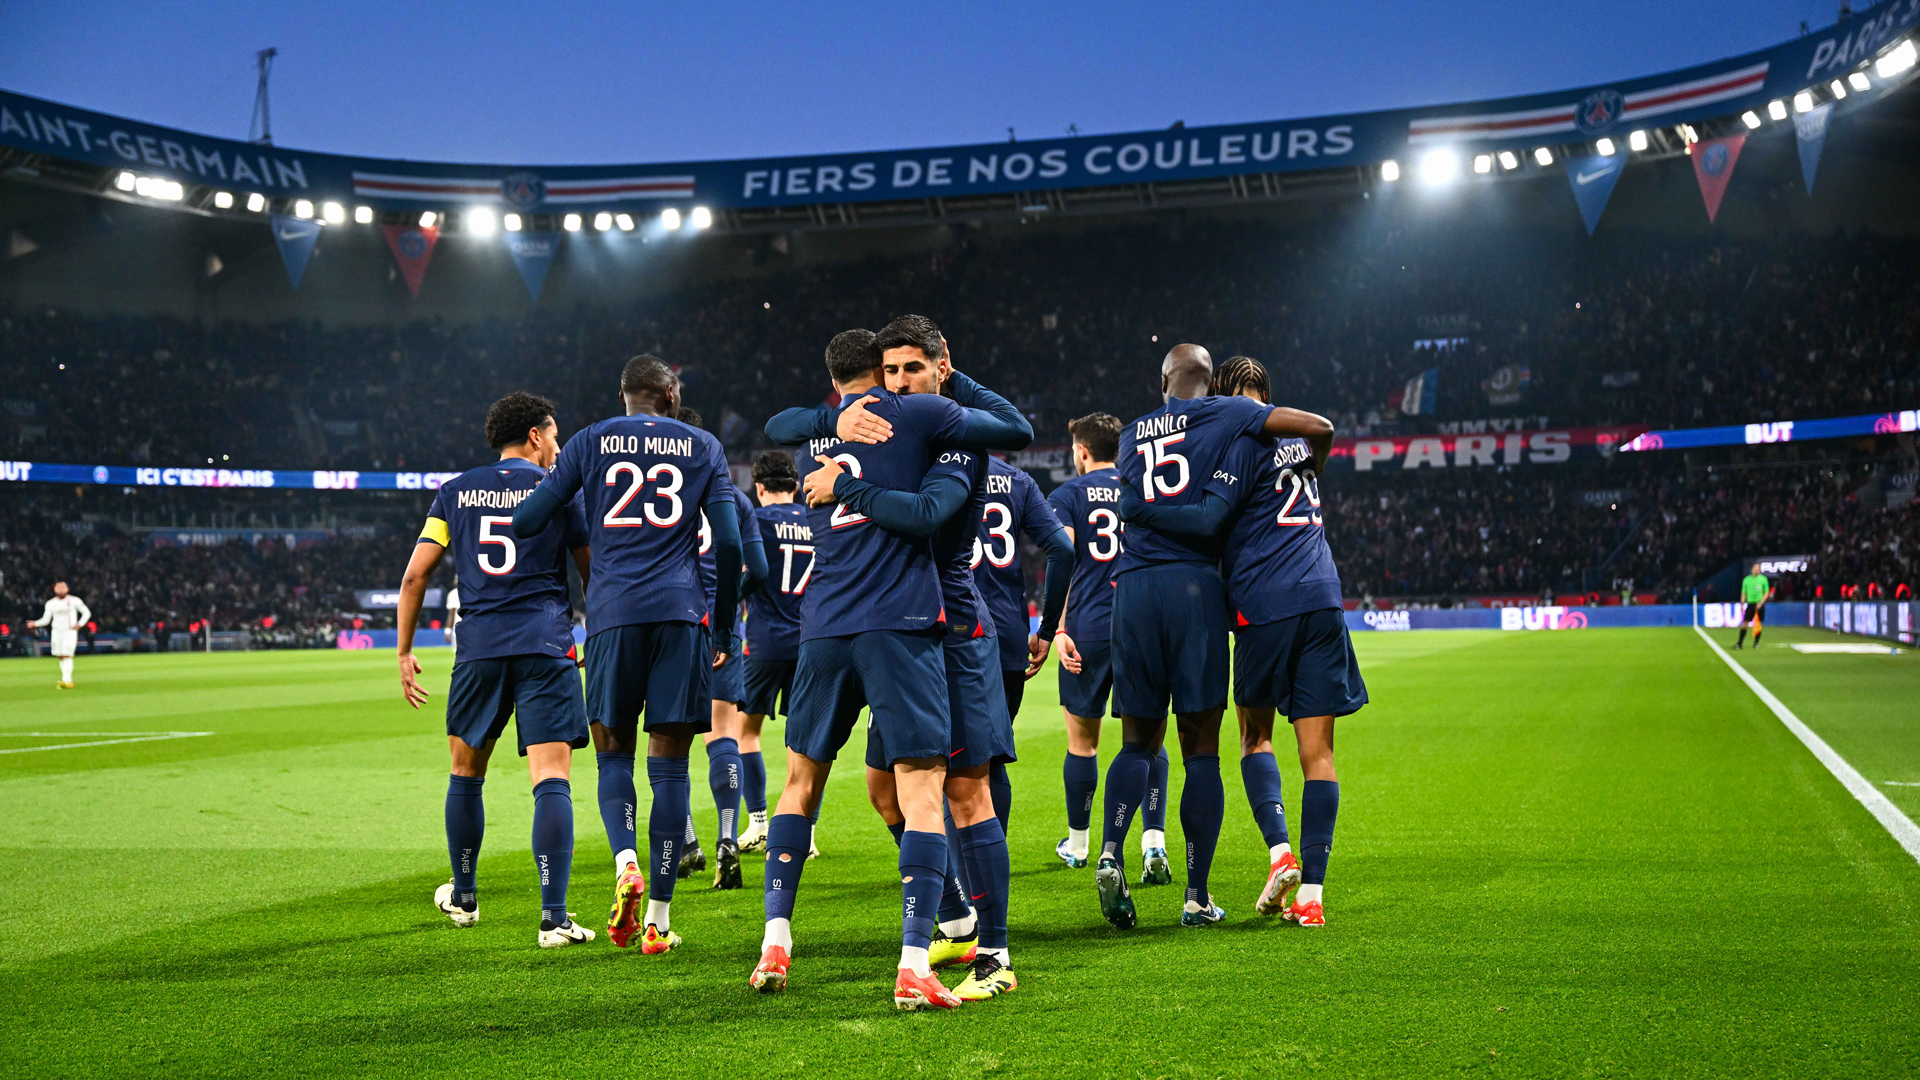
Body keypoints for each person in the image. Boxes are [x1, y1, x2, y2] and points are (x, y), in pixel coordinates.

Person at [748, 323, 1031, 1009]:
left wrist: (844, 483)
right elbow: (785, 421)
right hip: (892, 625)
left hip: (952, 627)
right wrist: (833, 418)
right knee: (886, 789)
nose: (900, 382)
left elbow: (936, 505)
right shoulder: (876, 422)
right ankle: (956, 917)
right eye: (891, 370)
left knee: (964, 790)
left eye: (913, 369)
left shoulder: (956, 434)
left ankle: (994, 950)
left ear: (941, 368)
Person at [511, 356, 747, 956]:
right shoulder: (703, 446)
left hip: (613, 616)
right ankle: (661, 922)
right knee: (668, 765)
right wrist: (721, 630)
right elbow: (729, 542)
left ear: (623, 395)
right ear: (670, 393)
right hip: (680, 615)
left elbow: (529, 519)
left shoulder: (589, 441)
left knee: (613, 756)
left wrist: (573, 494)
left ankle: (624, 862)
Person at [1122, 356, 1357, 928]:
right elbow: (1320, 437)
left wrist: (1141, 509)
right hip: (1324, 594)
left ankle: (1281, 853)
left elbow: (1207, 522)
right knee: (1319, 754)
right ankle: (1313, 898)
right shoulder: (1299, 448)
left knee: (1255, 736)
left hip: (1264, 602)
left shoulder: (1235, 447)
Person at [396, 392, 596, 948]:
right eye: (554, 436)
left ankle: (463, 897)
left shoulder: (453, 493)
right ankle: (553, 918)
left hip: (478, 647)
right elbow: (590, 572)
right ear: (535, 436)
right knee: (551, 779)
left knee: (465, 774)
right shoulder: (560, 491)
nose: (558, 447)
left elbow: (414, 578)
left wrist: (404, 651)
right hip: (545, 644)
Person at [1045, 413, 1173, 877]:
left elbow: (1062, 559)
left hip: (1088, 630)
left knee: (1083, 745)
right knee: (1148, 744)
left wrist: (1055, 630)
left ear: (1082, 451)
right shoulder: (1144, 487)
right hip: (1142, 624)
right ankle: (1153, 844)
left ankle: (1079, 845)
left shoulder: (1066, 496)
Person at [678, 407, 770, 891]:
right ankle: (728, 838)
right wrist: (730, 602)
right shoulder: (733, 498)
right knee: (724, 734)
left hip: (672, 622)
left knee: (668, 741)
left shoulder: (665, 490)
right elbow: (757, 568)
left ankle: (686, 843)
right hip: (722, 626)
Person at [973, 453, 1074, 833]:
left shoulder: (931, 466)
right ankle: (989, 875)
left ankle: (951, 877)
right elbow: (1063, 549)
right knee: (994, 758)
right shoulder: (1017, 479)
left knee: (942, 764)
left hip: (949, 630)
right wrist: (1047, 630)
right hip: (1007, 633)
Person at [736, 451, 812, 854]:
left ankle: (760, 822)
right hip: (809, 641)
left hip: (764, 641)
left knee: (744, 731)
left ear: (759, 487)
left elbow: (748, 571)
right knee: (804, 738)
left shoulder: (755, 520)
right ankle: (806, 830)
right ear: (796, 486)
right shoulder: (814, 521)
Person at [30, 581, 91, 689]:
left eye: (63, 587)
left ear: (67, 589)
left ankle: (66, 680)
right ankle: (66, 680)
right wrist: (35, 623)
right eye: (59, 587)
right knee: (61, 656)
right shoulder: (50, 603)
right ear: (55, 590)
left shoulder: (74, 600)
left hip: (69, 631)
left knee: (67, 654)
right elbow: (46, 619)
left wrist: (79, 624)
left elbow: (86, 613)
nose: (61, 589)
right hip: (56, 631)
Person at [1736, 563, 1772, 649]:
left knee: (1758, 624)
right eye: (1755, 568)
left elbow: (1766, 593)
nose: (1756, 570)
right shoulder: (1746, 580)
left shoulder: (1763, 580)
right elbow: (1744, 592)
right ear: (1752, 569)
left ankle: (1756, 642)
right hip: (1750, 604)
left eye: (1757, 569)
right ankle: (1740, 643)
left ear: (1759, 570)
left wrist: (1761, 603)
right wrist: (1742, 603)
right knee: (1745, 623)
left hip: (1759, 603)